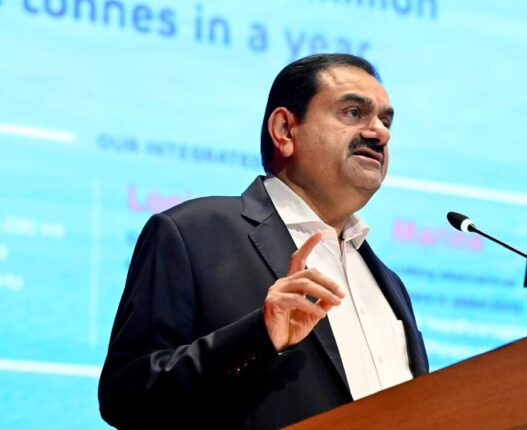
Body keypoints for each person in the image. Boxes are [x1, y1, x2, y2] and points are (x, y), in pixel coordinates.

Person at [98, 53, 429, 429]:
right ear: (285, 130)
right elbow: (126, 397)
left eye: (386, 121)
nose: (381, 133)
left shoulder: (389, 284)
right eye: (353, 112)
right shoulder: (193, 234)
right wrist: (259, 337)